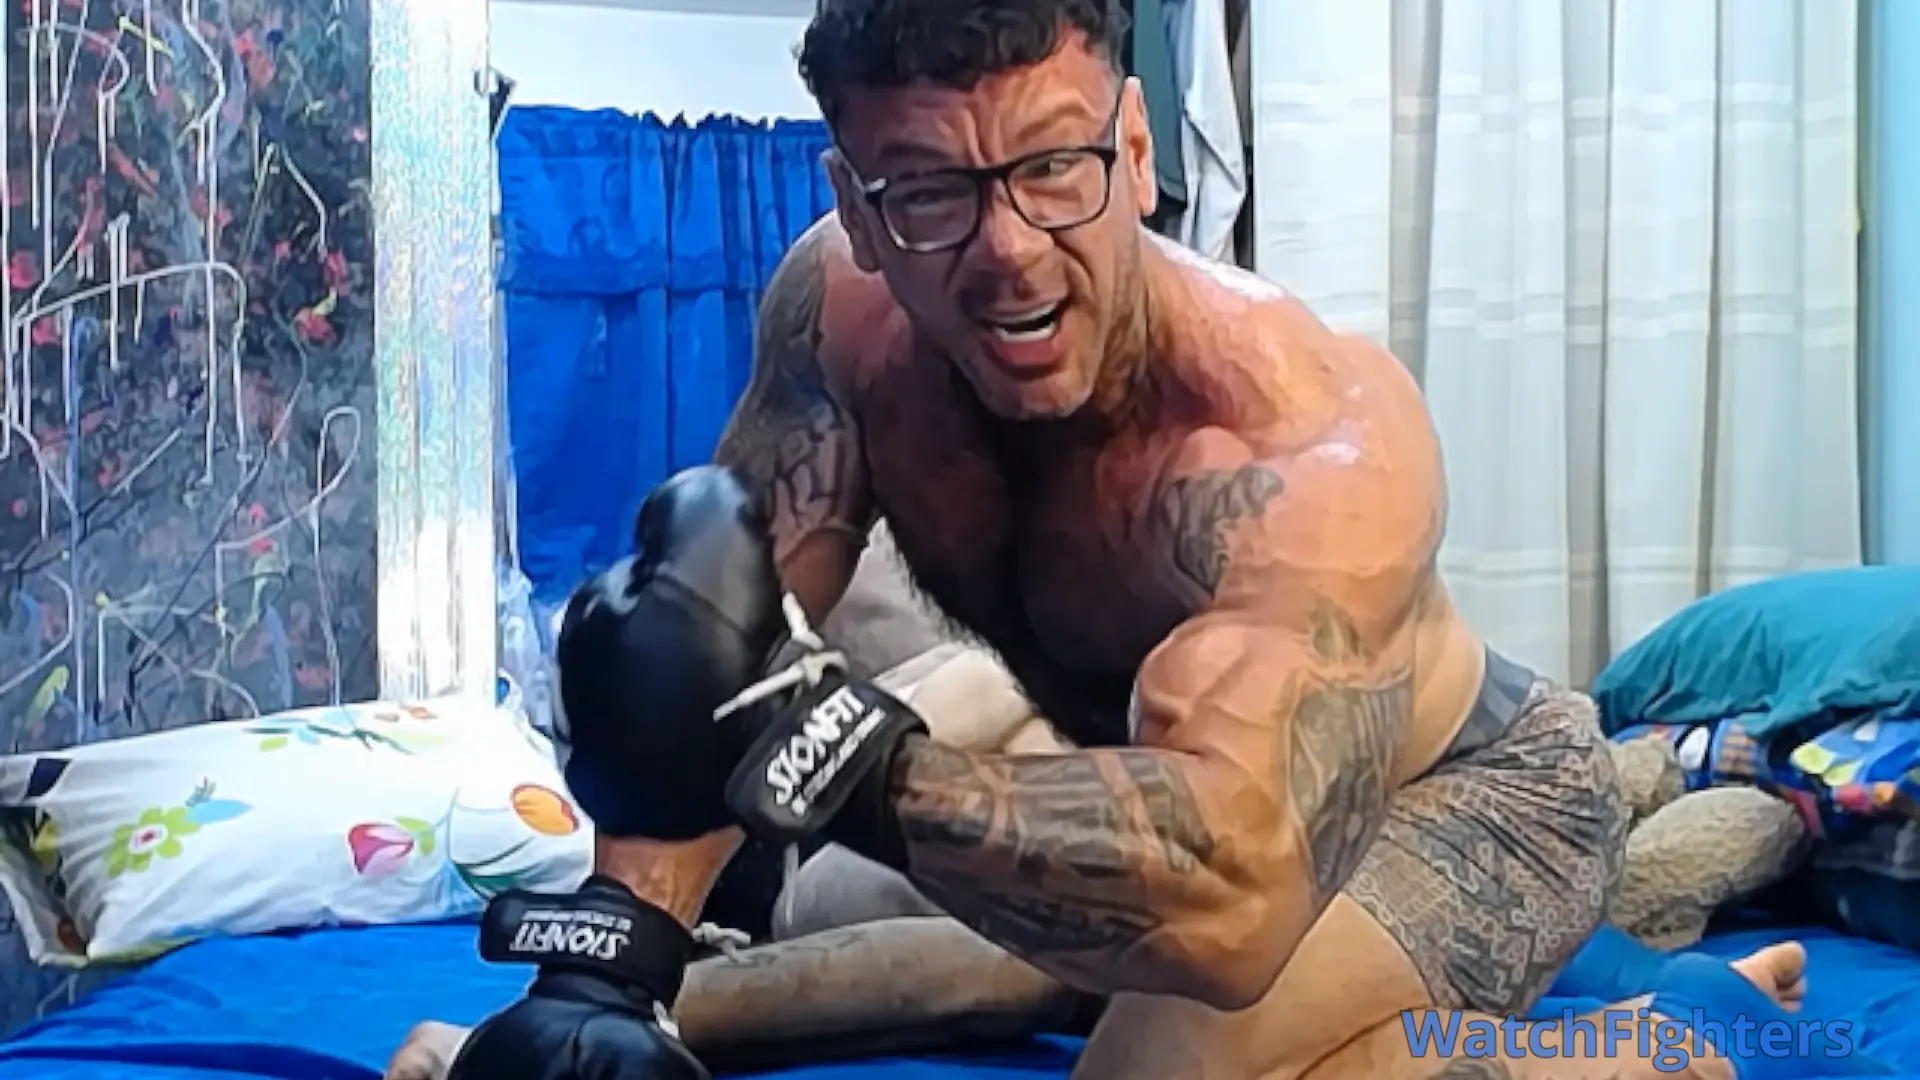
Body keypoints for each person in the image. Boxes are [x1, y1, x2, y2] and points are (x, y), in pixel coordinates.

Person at [390, 2, 1861, 1078]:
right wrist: (615, 968)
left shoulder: (1302, 434)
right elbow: (704, 660)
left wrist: (846, 758)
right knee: (898, 977)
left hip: (1463, 803)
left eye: (1054, 167)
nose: (1010, 252)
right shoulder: (836, 321)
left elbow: (1227, 906)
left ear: (1137, 148)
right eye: (932, 192)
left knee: (1152, 1071)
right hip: (1169, 819)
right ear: (857, 206)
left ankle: (1653, 1035)